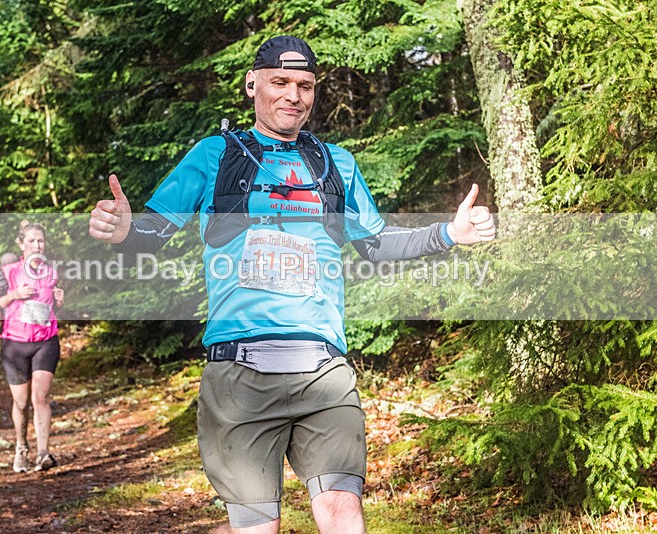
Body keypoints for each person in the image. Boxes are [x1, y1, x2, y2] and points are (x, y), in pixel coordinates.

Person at [89, 36, 495, 533]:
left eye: (305, 86)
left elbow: (376, 243)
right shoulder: (216, 154)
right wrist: (124, 230)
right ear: (251, 84)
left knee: (343, 509)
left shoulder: (336, 163)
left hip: (323, 372)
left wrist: (449, 233)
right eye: (280, 82)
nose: (293, 95)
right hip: (240, 376)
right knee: (259, 525)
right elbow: (152, 232)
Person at [0, 221, 64, 473]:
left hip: (45, 341)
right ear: (21, 244)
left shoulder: (52, 272)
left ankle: (43, 453)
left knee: (40, 397)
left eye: (40, 241)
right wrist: (13, 296)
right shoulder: (9, 272)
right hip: (15, 345)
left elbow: (53, 304)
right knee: (21, 402)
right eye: (31, 241)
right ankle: (21, 447)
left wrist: (59, 301)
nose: (37, 245)